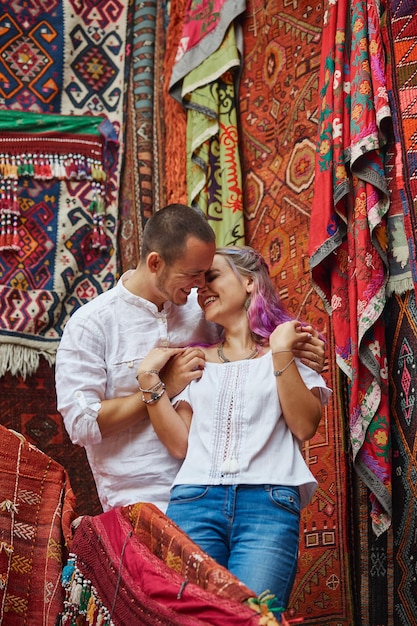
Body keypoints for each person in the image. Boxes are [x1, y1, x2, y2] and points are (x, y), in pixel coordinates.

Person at [55, 204, 326, 514]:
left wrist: (300, 348)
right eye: (193, 274)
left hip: (219, 490)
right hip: (140, 500)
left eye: (206, 273)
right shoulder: (92, 324)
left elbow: (254, 339)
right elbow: (82, 423)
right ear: (155, 263)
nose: (200, 284)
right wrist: (161, 388)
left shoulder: (203, 311)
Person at [136, 246, 332, 615]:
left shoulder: (288, 348)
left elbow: (304, 426)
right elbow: (180, 444)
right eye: (196, 285)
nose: (201, 290)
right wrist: (149, 381)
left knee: (255, 618)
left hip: (268, 506)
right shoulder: (193, 360)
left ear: (248, 282)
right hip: (194, 502)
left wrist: (279, 352)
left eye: (212, 277)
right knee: (191, 621)